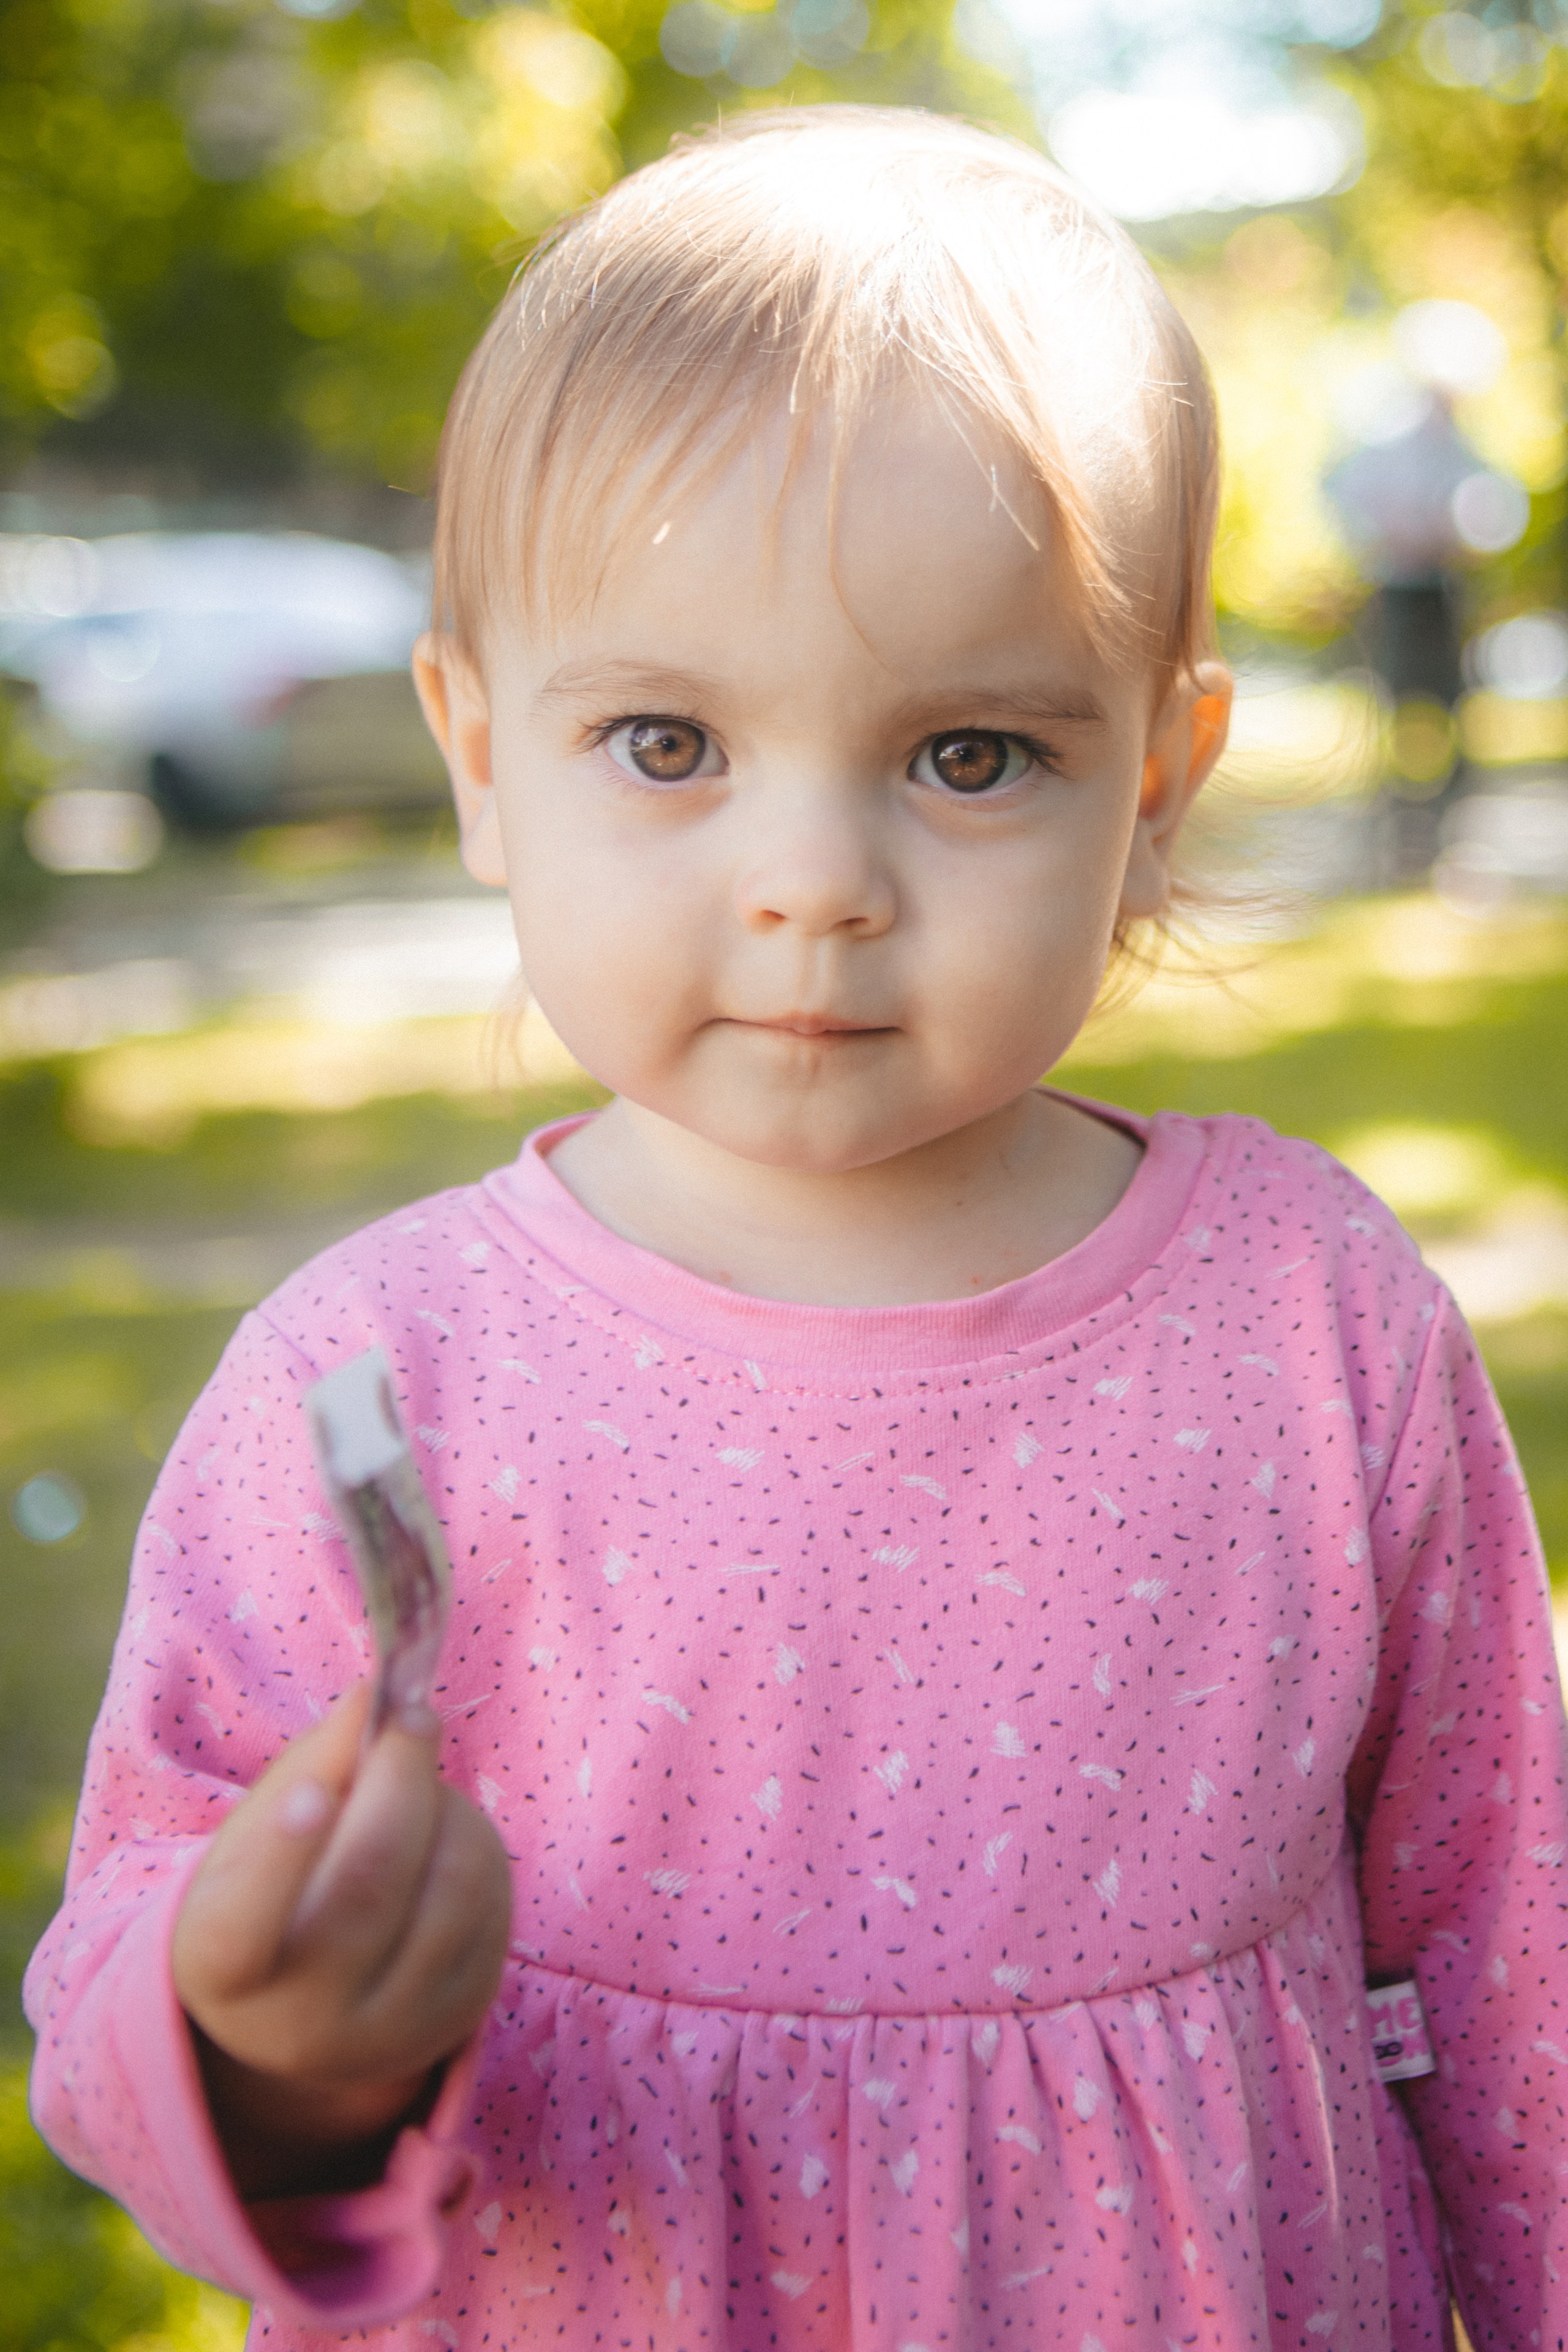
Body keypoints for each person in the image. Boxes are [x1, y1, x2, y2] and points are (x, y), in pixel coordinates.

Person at [25, 107, 1568, 2351]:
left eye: (969, 756)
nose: (816, 882)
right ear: (481, 755)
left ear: (1155, 781)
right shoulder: (380, 1383)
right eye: (669, 744)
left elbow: (1519, 1961)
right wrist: (274, 2040)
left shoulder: (1317, 1321)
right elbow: (141, 1957)